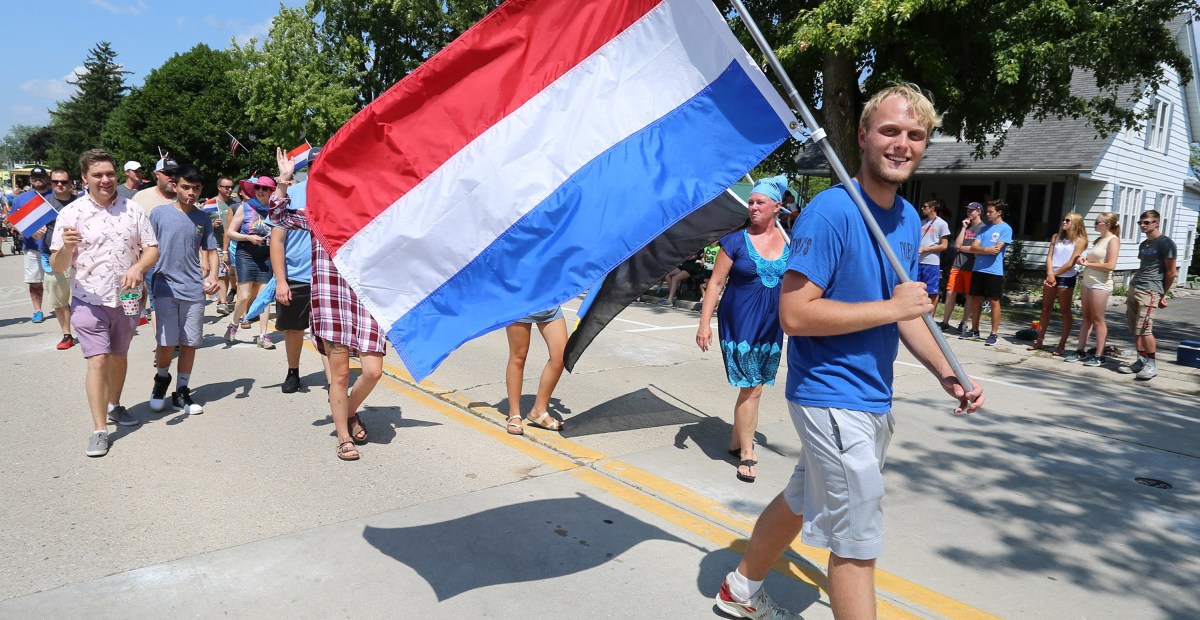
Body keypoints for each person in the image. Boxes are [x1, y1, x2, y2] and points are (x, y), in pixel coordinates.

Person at [713, 84, 983, 620]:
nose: (901, 143)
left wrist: (944, 371)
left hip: (871, 397)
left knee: (799, 499)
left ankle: (739, 590)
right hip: (830, 398)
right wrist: (893, 307)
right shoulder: (832, 212)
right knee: (857, 544)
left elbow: (908, 316)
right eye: (889, 131)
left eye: (915, 135)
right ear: (862, 137)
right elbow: (795, 313)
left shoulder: (907, 219)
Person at [269, 148, 383, 461]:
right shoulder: (316, 214)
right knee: (341, 375)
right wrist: (283, 182)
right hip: (331, 300)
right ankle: (343, 437)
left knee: (373, 371)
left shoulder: (369, 210)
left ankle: (348, 411)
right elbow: (277, 218)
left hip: (365, 300)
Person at [50, 148, 159, 457]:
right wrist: (65, 249)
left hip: (126, 300)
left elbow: (151, 248)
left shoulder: (133, 209)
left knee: (118, 356)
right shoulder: (70, 214)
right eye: (97, 175)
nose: (105, 179)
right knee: (98, 359)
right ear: (85, 179)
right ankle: (99, 429)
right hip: (88, 299)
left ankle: (115, 405)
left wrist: (139, 267)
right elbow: (58, 266)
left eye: (109, 173)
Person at [696, 174, 790, 484]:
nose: (752, 207)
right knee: (752, 386)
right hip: (740, 321)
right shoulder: (735, 240)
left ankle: (736, 441)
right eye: (750, 202)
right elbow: (716, 283)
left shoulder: (790, 242)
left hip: (773, 323)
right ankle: (747, 451)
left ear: (776, 206)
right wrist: (704, 324)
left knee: (756, 384)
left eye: (759, 202)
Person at [147, 165, 218, 415]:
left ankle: (182, 391)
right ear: (175, 186)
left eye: (196, 188)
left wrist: (212, 276)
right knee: (166, 343)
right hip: (164, 285)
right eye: (186, 187)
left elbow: (211, 250)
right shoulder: (159, 214)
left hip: (193, 289)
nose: (191, 192)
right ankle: (161, 380)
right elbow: (146, 247)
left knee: (189, 342)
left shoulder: (203, 218)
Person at [268, 176, 318, 394]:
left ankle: (334, 382)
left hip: (326, 277)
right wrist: (281, 281)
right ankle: (293, 371)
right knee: (294, 329)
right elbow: (277, 240)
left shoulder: (339, 189)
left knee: (327, 335)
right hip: (296, 276)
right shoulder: (294, 192)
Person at [223, 177, 277, 349]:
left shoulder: (275, 209)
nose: (261, 190)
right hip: (246, 253)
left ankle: (263, 335)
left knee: (264, 297)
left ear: (271, 191)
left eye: (265, 188)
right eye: (258, 187)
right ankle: (233, 323)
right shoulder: (245, 207)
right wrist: (248, 237)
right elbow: (230, 232)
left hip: (267, 255)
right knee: (244, 296)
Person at [1123, 210, 1177, 380]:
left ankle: (1151, 365)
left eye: (1147, 222)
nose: (1143, 225)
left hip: (1150, 290)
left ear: (1157, 223)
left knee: (1145, 329)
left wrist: (1162, 294)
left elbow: (1171, 272)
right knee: (1136, 329)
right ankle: (1140, 360)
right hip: (1135, 287)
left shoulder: (1166, 243)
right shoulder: (1144, 244)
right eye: (1141, 223)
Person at [1065, 212, 1120, 366]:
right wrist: (1085, 259)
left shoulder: (1113, 240)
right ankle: (1080, 351)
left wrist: (1087, 264)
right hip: (1088, 281)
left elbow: (1111, 265)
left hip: (1100, 284)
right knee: (1086, 318)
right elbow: (1096, 259)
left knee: (1098, 319)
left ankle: (1099, 355)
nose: (1095, 224)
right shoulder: (1100, 239)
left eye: (1098, 222)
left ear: (1107, 224)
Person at [503, 307, 568, 435]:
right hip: (520, 300)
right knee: (519, 356)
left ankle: (538, 411)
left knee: (561, 355)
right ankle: (514, 414)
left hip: (549, 302)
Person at [1030, 213, 1087, 355]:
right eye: (1064, 219)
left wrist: (1053, 275)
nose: (1064, 222)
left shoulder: (1081, 240)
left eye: (1068, 220)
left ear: (1076, 224)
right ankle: (1039, 340)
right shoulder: (1056, 237)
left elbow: (1071, 263)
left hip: (1065, 277)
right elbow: (1049, 256)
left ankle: (1061, 345)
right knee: (1045, 308)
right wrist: (1050, 273)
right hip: (1051, 275)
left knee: (1065, 311)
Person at [960, 200, 1012, 346]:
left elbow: (997, 249)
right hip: (978, 269)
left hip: (994, 271)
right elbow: (974, 247)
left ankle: (993, 333)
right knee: (976, 299)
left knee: (993, 301)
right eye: (987, 211)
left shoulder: (1005, 229)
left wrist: (981, 250)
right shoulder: (984, 229)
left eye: (990, 212)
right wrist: (985, 250)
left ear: (999, 212)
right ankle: (974, 330)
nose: (988, 214)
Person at [43, 168, 81, 349]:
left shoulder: (81, 203)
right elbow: (29, 230)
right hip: (55, 257)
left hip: (80, 257)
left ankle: (89, 330)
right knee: (59, 299)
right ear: (50, 183)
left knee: (85, 296)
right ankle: (67, 334)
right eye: (55, 182)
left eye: (64, 182)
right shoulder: (43, 204)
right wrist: (35, 234)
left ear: (70, 183)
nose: (59, 185)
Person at [12, 166, 54, 323]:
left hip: (55, 247)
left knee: (60, 282)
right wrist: (27, 230)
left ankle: (64, 307)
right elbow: (15, 222)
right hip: (32, 247)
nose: (38, 179)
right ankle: (38, 311)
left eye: (41, 176)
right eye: (35, 177)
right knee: (35, 282)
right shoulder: (20, 199)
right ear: (30, 179)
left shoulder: (56, 195)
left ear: (47, 178)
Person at [938, 202, 982, 332]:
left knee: (969, 295)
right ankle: (945, 322)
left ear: (979, 211)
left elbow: (976, 249)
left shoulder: (984, 229)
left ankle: (964, 323)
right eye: (968, 210)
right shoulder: (965, 227)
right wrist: (963, 228)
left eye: (972, 211)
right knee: (950, 293)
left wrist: (963, 248)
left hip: (972, 267)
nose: (969, 213)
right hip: (957, 264)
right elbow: (956, 245)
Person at [917, 198, 950, 312]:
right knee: (917, 290)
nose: (923, 208)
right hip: (918, 261)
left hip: (931, 262)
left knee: (932, 292)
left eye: (925, 206)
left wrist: (926, 249)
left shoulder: (942, 224)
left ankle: (931, 319)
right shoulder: (922, 222)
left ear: (932, 208)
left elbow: (944, 245)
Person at [212, 177, 238, 315]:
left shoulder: (235, 204)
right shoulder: (210, 204)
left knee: (230, 273)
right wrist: (211, 225)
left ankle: (230, 294)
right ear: (219, 187)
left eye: (231, 187)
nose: (229, 190)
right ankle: (222, 302)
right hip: (216, 244)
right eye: (226, 187)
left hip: (233, 245)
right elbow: (198, 227)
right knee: (222, 273)